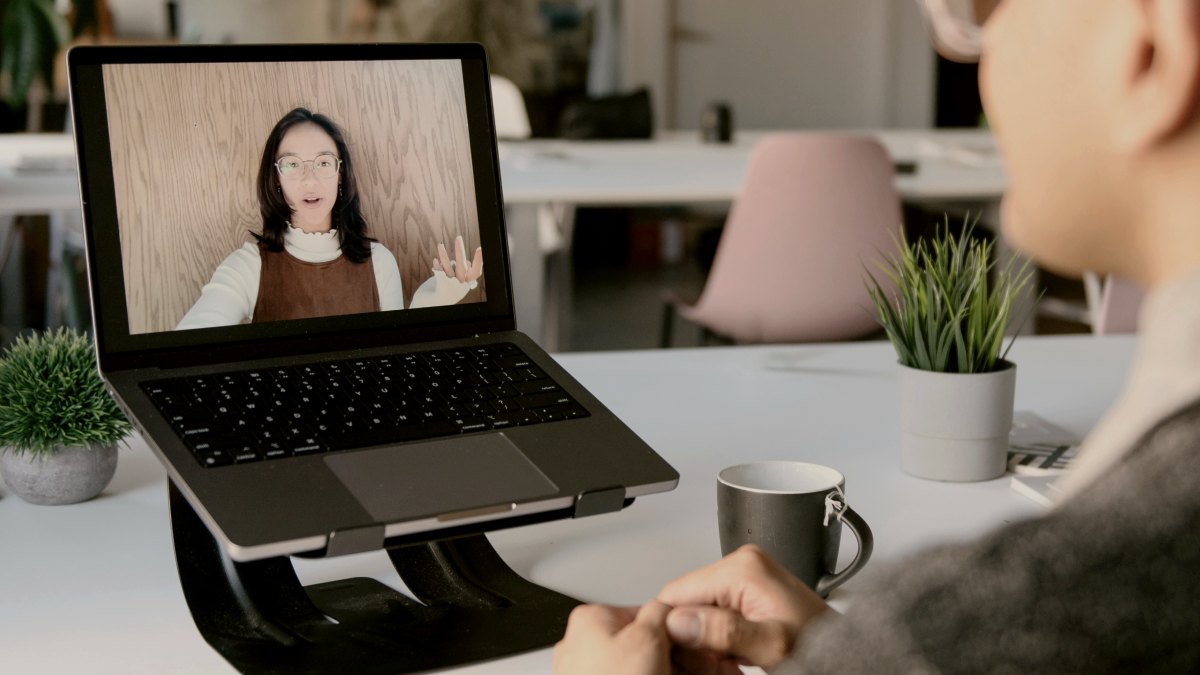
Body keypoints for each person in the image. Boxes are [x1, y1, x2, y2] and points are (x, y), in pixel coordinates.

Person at [553, 0, 1200, 672]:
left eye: (987, 10)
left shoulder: (1020, 608)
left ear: (1153, 48)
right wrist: (843, 656)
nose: (966, 57)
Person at [176, 107, 483, 329]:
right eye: (292, 164)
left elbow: (396, 349)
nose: (309, 179)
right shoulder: (249, 265)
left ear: (340, 174)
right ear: (276, 179)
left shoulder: (379, 260)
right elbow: (194, 337)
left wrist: (442, 293)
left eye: (323, 162)